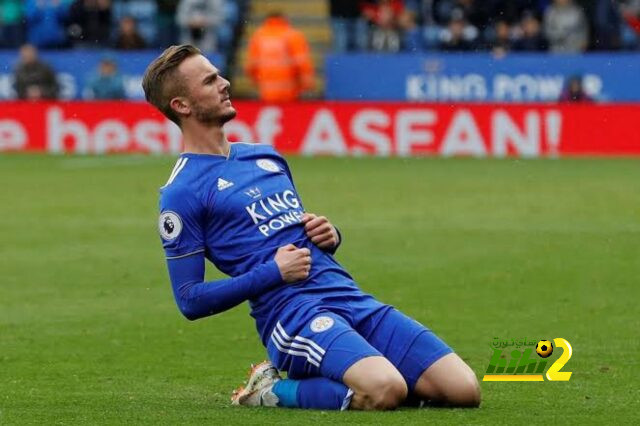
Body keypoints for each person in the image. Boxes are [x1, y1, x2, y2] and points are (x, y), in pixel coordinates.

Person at [142, 44, 481, 411]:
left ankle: (347, 372)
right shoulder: (182, 192)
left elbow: (295, 237)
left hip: (346, 294)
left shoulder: (264, 156)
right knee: (384, 390)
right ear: (181, 106)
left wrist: (329, 236)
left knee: (463, 391)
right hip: (291, 313)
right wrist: (272, 273)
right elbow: (189, 299)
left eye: (218, 74)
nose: (224, 83)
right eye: (209, 81)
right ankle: (271, 392)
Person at [245, 12, 314, 102]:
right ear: (284, 19)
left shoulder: (258, 36)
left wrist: (256, 82)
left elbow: (252, 66)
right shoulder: (293, 35)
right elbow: (301, 63)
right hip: (290, 92)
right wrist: (306, 85)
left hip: (266, 91)